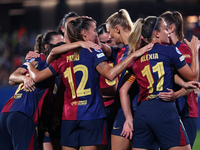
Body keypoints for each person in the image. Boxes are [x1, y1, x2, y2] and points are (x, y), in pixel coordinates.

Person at [27, 16, 152, 150]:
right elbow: (110, 74)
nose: (96, 33)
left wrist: (29, 64)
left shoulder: (62, 56)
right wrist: (132, 56)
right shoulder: (93, 51)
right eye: (94, 30)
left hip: (69, 116)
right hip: (92, 115)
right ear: (85, 33)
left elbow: (38, 76)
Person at [125, 16, 200, 150]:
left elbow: (158, 73)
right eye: (165, 29)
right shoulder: (170, 50)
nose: (168, 32)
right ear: (156, 33)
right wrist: (194, 51)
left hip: (142, 111)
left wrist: (182, 84)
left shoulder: (137, 55)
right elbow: (193, 76)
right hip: (163, 108)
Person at [0, 31, 64, 150]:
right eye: (59, 44)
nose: (63, 46)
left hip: (7, 113)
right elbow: (12, 78)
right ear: (47, 47)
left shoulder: (37, 60)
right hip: (24, 114)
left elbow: (13, 78)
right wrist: (25, 77)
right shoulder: (43, 61)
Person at [160, 11, 199, 148]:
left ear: (170, 29)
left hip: (186, 111)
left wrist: (176, 95)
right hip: (171, 109)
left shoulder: (183, 49)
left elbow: (193, 82)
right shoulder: (164, 50)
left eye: (161, 27)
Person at [105, 9, 139, 150]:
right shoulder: (122, 51)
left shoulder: (137, 48)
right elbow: (104, 49)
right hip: (124, 110)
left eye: (109, 31)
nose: (109, 36)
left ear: (117, 29)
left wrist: (128, 117)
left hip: (134, 109)